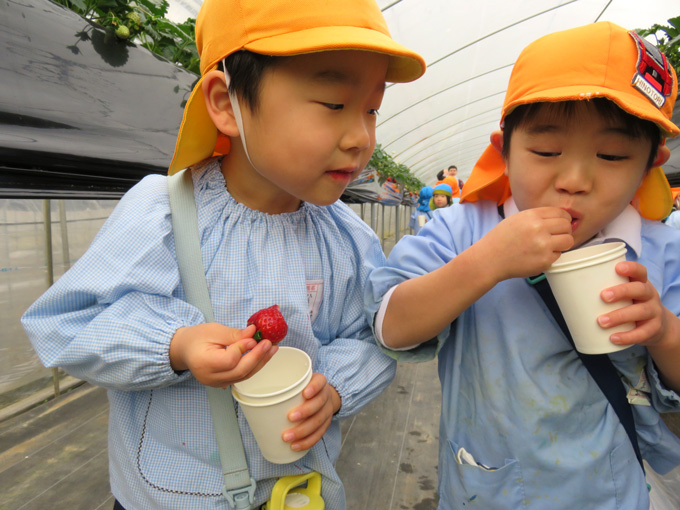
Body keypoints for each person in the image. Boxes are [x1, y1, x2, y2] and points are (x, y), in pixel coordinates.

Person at [20, 0, 425, 508]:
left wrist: (337, 387)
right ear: (225, 103)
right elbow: (65, 323)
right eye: (333, 104)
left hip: (296, 492)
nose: (361, 138)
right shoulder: (164, 212)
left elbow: (375, 334)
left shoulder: (346, 236)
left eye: (371, 109)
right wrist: (175, 344)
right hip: (170, 495)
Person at [365, 22, 680, 509]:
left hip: (612, 491)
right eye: (546, 151)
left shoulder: (661, 250)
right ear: (504, 150)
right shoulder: (463, 230)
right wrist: (486, 262)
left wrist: (662, 332)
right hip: (492, 489)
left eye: (613, 154)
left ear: (650, 163)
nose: (573, 180)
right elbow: (390, 326)